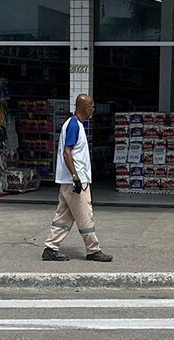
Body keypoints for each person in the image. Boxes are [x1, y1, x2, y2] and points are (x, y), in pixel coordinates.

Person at [42, 94, 112, 262]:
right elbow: (67, 153)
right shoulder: (74, 125)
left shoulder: (74, 124)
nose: (93, 109)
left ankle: (50, 248)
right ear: (85, 107)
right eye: (92, 106)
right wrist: (76, 177)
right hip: (75, 180)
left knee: (63, 217)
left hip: (69, 181)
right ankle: (93, 250)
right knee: (85, 215)